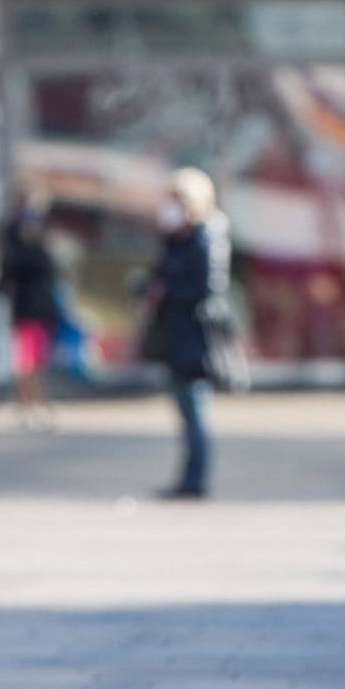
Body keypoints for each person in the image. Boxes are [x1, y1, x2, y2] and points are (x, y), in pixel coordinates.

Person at [144, 168, 230, 501]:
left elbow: (207, 287)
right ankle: (187, 477)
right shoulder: (173, 238)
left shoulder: (205, 235)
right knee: (183, 408)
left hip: (194, 338)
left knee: (194, 408)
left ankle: (195, 480)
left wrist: (166, 292)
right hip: (173, 336)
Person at [0, 201, 61, 431]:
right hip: (25, 314)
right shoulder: (18, 253)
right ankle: (29, 405)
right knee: (28, 364)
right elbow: (3, 283)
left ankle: (32, 405)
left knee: (34, 364)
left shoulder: (40, 251)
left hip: (40, 314)